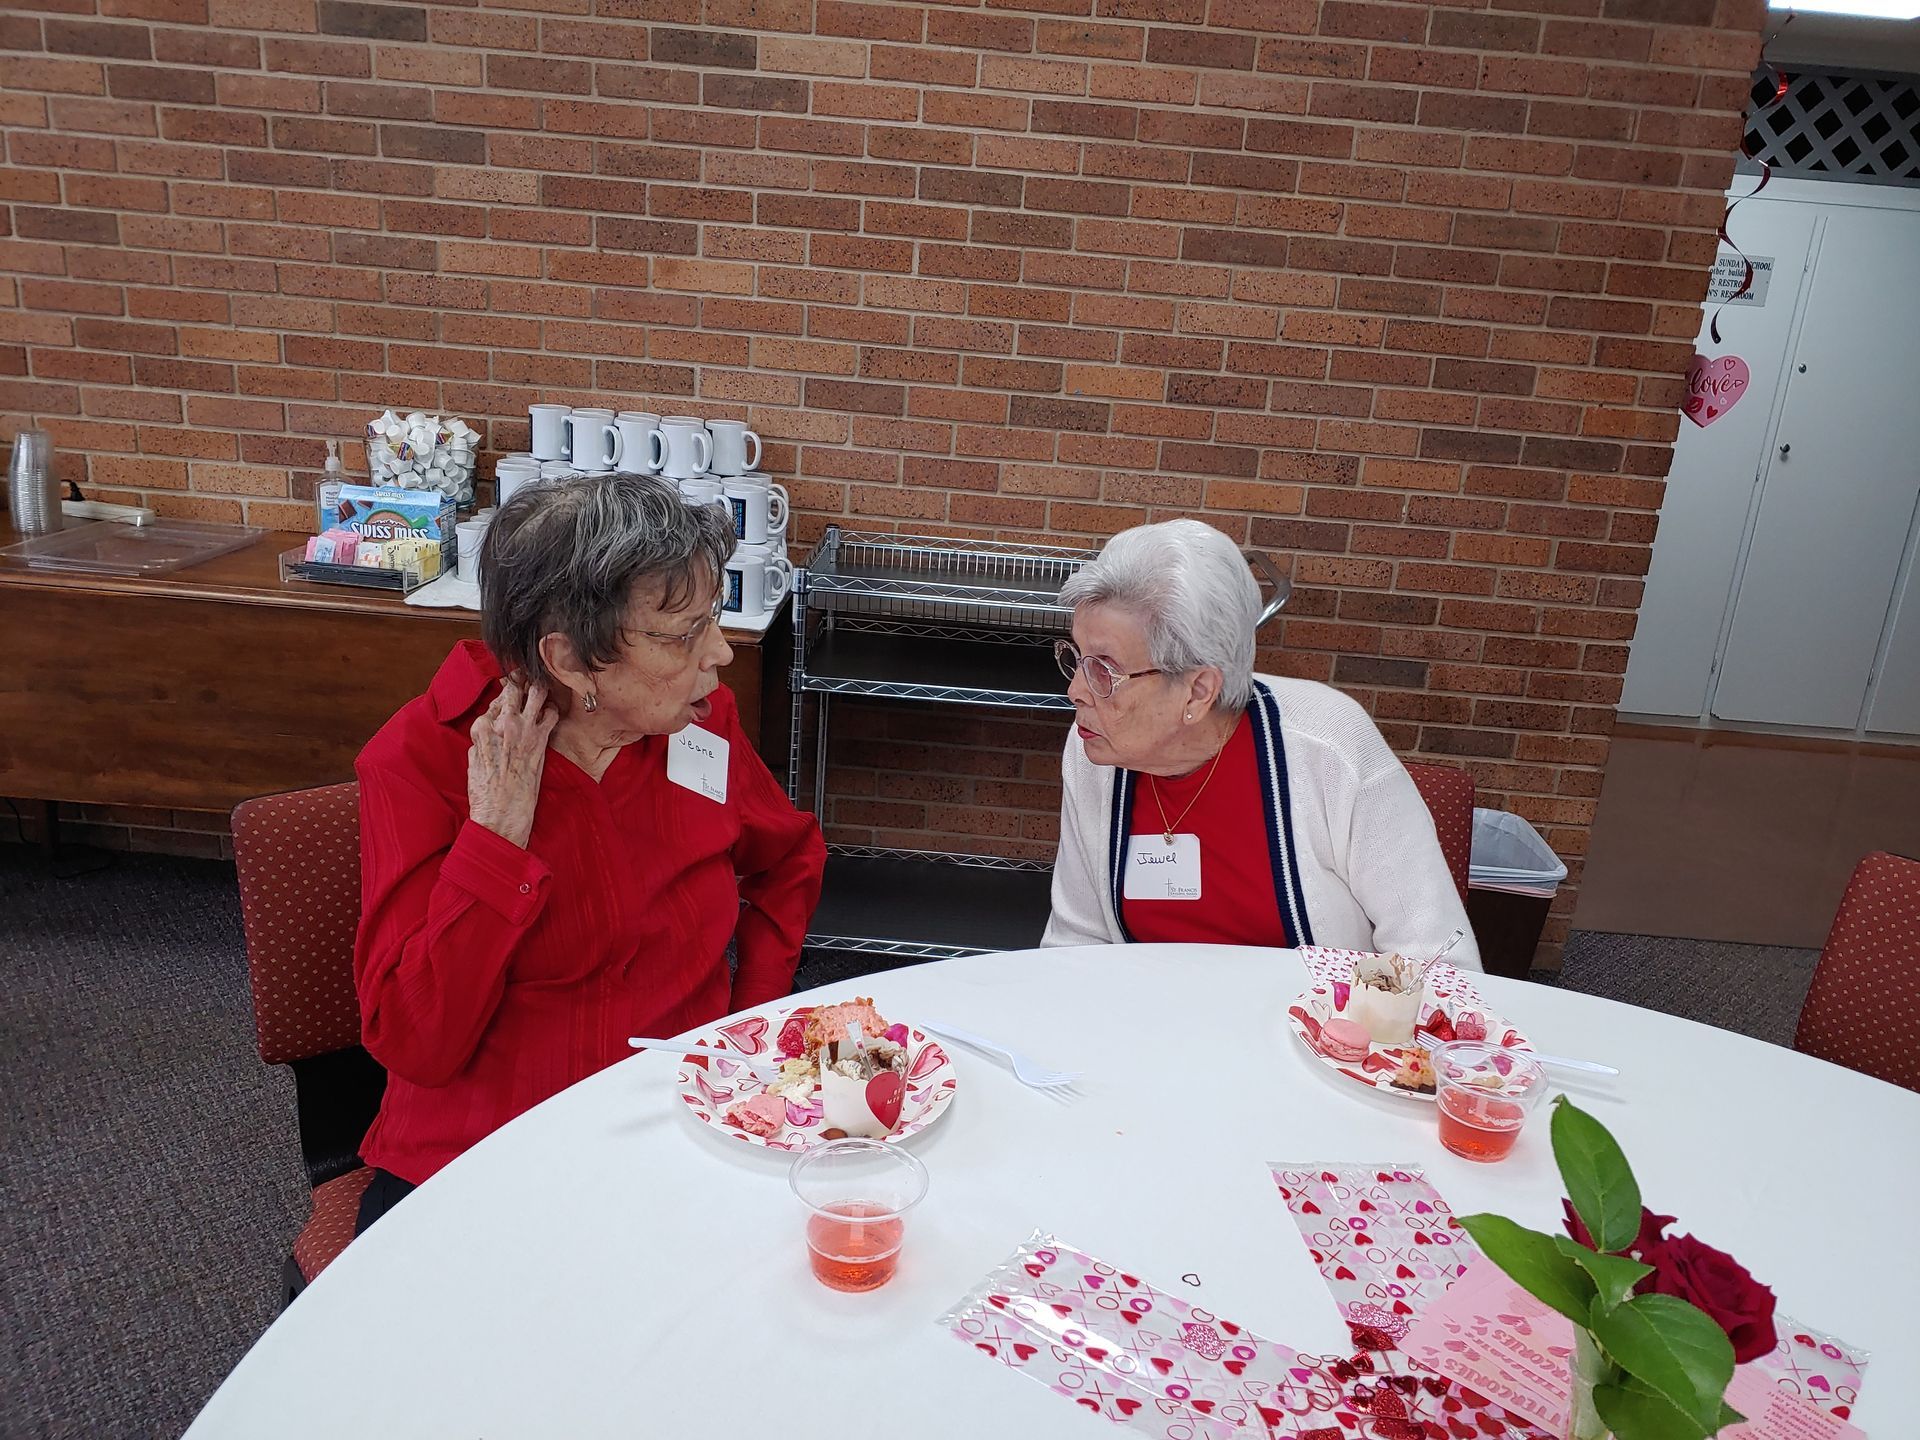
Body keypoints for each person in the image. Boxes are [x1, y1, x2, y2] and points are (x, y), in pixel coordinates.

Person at [350, 473, 825, 1229]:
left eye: (713, 619)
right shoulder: (419, 762)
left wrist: (747, 1030)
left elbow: (789, 860)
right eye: (680, 635)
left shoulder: (698, 725)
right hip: (484, 1161)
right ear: (570, 661)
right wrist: (495, 839)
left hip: (676, 1127)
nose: (719, 656)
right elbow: (419, 1042)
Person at [1043, 519, 1479, 968]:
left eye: (1105, 671)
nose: (1076, 689)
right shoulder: (1094, 751)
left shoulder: (1331, 746)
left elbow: (1438, 961)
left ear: (1198, 691)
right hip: (1152, 1026)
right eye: (1078, 658)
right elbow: (1077, 942)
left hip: (1313, 1029)